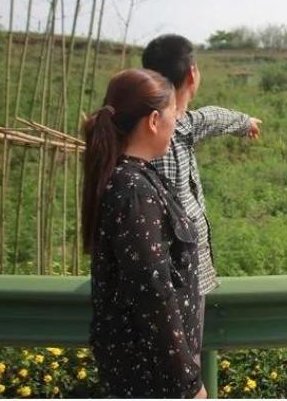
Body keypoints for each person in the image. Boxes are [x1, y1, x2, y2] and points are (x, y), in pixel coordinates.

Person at [82, 68, 207, 399]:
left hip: (152, 372)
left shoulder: (134, 179)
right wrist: (188, 381)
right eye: (172, 114)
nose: (175, 123)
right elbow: (153, 293)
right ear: (153, 121)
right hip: (153, 379)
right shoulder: (133, 190)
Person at [142, 34, 261, 367]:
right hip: (177, 284)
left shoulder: (164, 127)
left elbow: (211, 117)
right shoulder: (167, 138)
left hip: (159, 283)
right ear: (192, 74)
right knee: (182, 365)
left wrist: (244, 122)